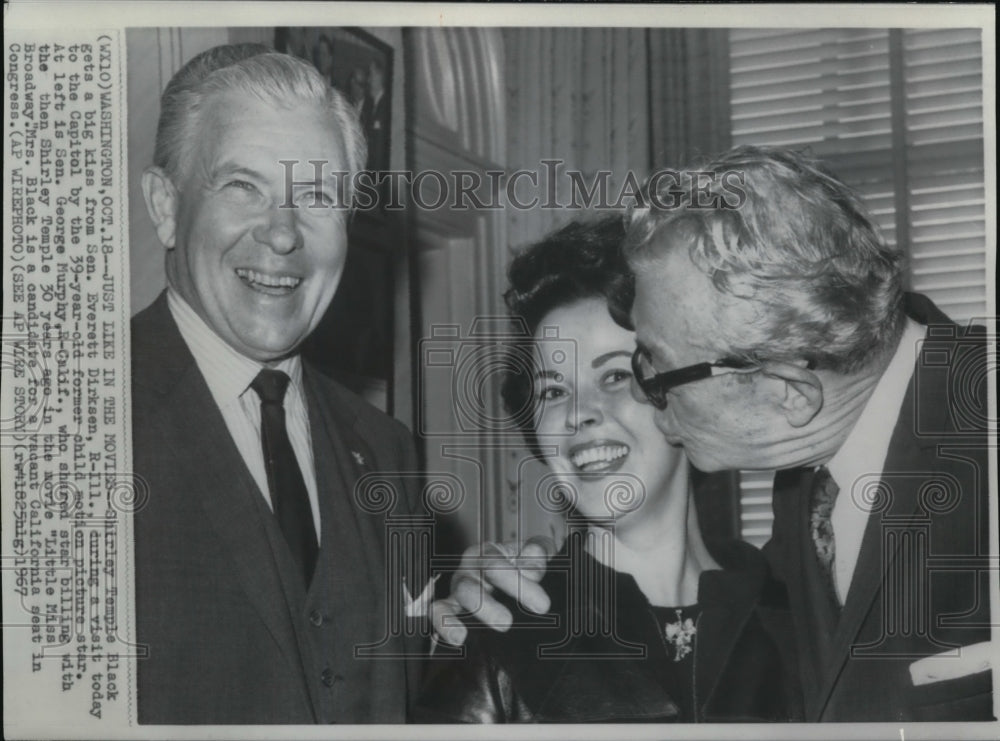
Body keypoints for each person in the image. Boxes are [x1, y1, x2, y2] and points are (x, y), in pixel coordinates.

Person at [438, 146, 994, 722]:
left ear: (787, 391)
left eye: (634, 368)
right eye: (552, 389)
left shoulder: (770, 598)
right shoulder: (803, 505)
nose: (644, 387)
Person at [132, 43, 426, 724]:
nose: (284, 234)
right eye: (245, 187)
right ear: (166, 205)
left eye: (318, 197)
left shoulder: (390, 453)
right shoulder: (71, 420)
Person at [417, 217, 802, 723]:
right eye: (553, 390)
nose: (579, 411)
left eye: (617, 375)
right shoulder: (494, 634)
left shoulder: (794, 618)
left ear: (685, 396)